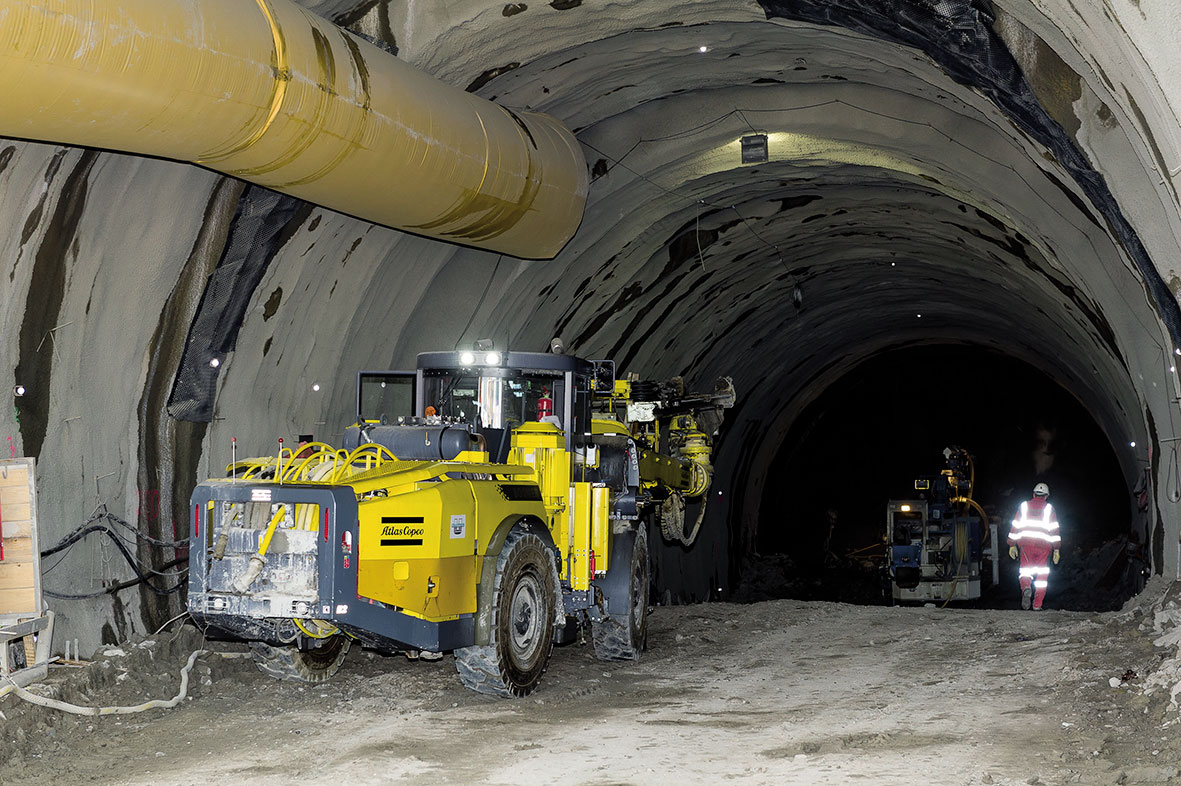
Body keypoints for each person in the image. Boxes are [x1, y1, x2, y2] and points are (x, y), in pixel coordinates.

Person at [1007, 482, 1061, 610]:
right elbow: (1054, 530)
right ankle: (1037, 605)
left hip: (1026, 544)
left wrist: (1011, 544)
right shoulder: (1049, 509)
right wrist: (1057, 549)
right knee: (1042, 577)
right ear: (1046, 496)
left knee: (1025, 571)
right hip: (1044, 547)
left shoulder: (1023, 506)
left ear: (1033, 494)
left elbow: (1015, 525)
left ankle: (1026, 588)